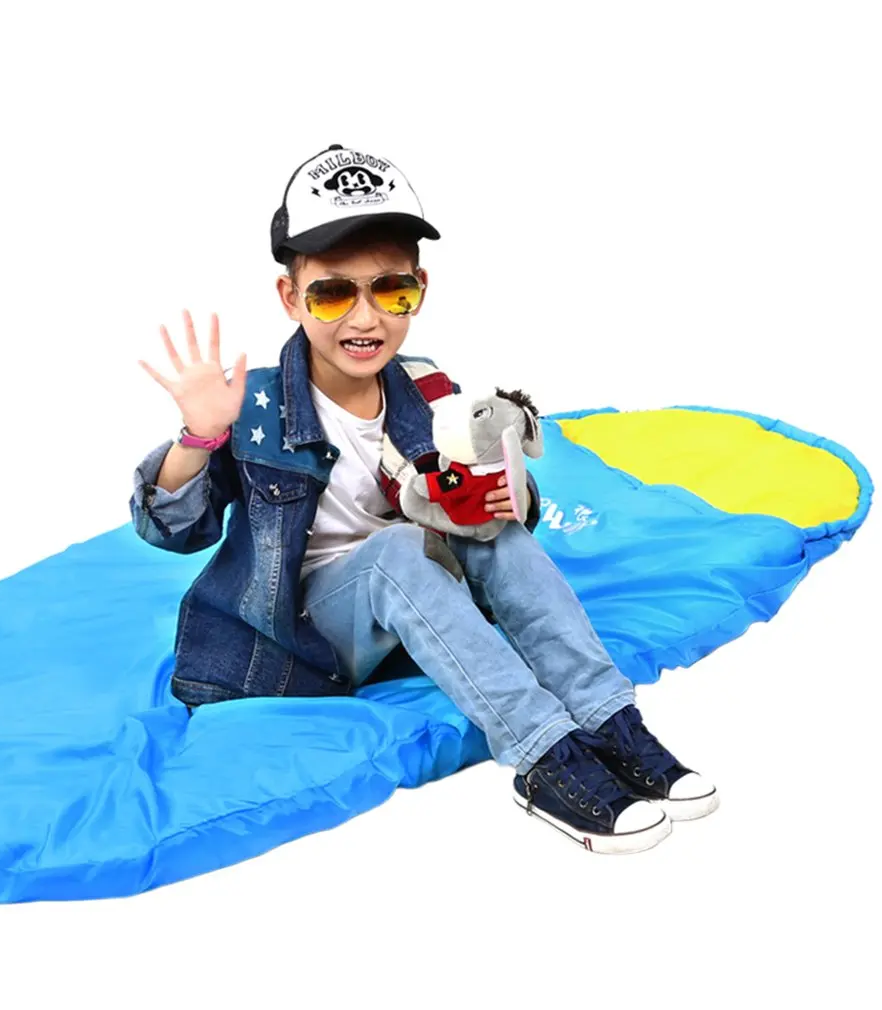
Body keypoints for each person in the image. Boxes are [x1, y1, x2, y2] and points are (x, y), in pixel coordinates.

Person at [131, 144, 719, 855]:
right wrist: (199, 436)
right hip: (303, 638)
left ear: (420, 288)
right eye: (333, 293)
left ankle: (608, 720)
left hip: (416, 620)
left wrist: (503, 489)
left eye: (392, 290)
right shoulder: (253, 405)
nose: (366, 317)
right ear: (290, 297)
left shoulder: (427, 386)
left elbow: (487, 504)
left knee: (493, 533)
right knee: (400, 550)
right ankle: (542, 755)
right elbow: (172, 530)